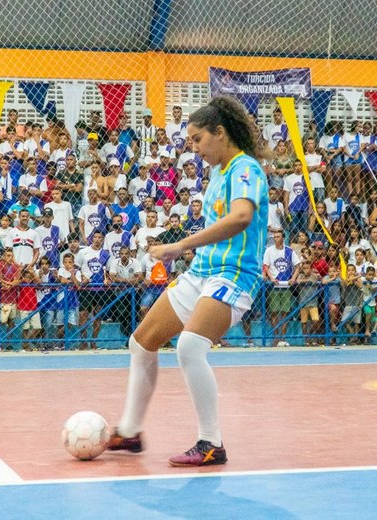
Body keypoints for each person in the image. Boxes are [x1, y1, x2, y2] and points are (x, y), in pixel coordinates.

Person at [107, 96, 269, 467]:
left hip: (234, 275)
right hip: (202, 273)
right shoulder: (219, 173)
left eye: (197, 140)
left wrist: (179, 245)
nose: (193, 149)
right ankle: (130, 431)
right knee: (142, 342)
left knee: (190, 347)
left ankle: (212, 442)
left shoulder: (245, 169)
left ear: (220, 133)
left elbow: (241, 217)